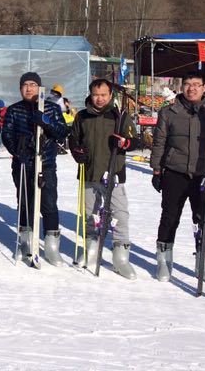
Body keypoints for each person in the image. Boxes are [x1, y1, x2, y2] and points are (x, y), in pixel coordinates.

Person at [150, 70, 205, 282]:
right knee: (169, 218)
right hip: (175, 172)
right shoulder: (169, 112)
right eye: (187, 84)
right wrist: (156, 170)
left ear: (204, 88)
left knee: (204, 220)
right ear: (181, 87)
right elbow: (159, 142)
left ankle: (204, 263)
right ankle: (164, 261)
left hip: (203, 174)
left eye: (196, 84)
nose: (191, 88)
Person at [68, 78, 139, 278]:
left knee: (119, 214)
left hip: (113, 173)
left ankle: (120, 256)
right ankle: (91, 247)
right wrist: (76, 151)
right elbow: (73, 138)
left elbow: (135, 141)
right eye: (95, 95)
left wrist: (124, 143)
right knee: (89, 213)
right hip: (89, 172)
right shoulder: (82, 116)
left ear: (110, 95)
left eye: (103, 95)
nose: (99, 99)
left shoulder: (120, 116)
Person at [2, 72, 69, 266]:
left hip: (45, 163)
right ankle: (26, 242)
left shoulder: (51, 108)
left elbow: (62, 133)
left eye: (33, 84)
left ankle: (51, 246)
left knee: (48, 204)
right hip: (23, 164)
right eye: (25, 85)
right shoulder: (14, 110)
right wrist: (17, 151)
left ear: (40, 88)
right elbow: (7, 134)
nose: (29, 88)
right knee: (25, 202)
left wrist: (46, 122)